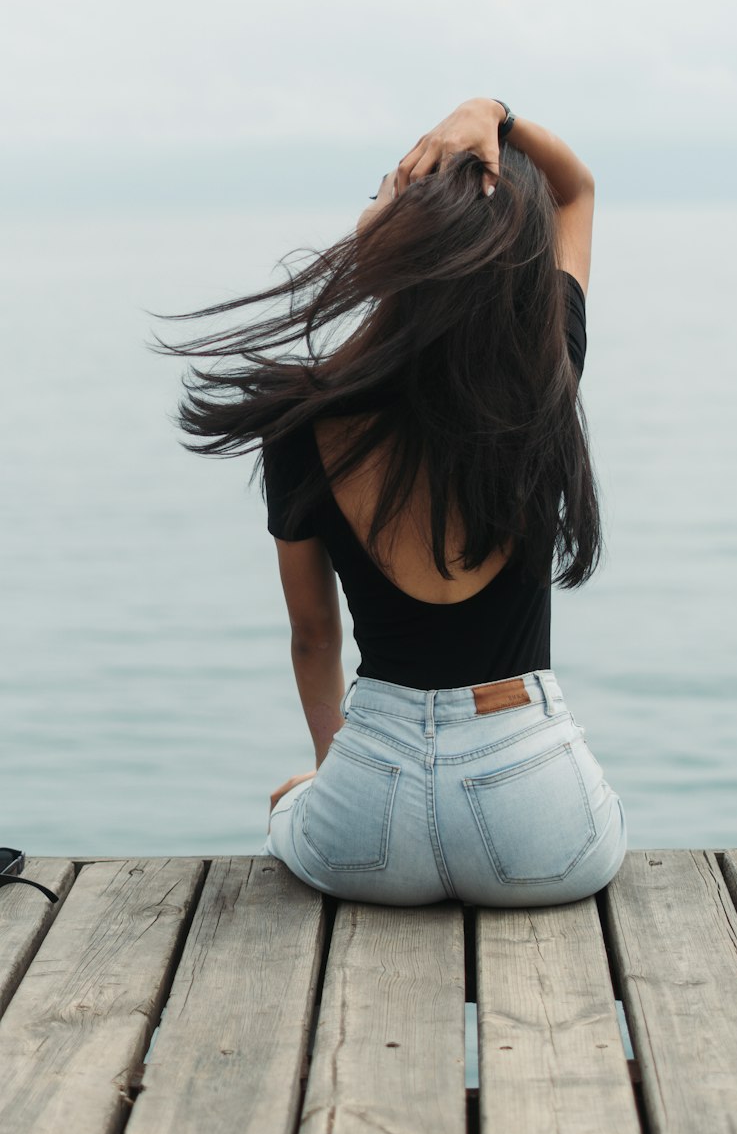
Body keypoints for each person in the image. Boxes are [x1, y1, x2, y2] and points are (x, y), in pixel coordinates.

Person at [154, 96, 627, 907]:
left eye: (382, 194)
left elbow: (313, 638)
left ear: (400, 245)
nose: (374, 204)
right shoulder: (543, 377)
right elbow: (576, 190)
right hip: (537, 816)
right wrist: (494, 118)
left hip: (372, 812)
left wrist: (340, 772)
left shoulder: (299, 419)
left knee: (292, 808)